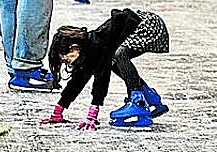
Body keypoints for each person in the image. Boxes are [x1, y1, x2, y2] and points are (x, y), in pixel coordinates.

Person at [39, 8, 170, 130]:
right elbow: (77, 82)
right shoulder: (87, 54)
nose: (66, 62)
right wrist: (57, 112)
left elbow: (101, 80)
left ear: (74, 47)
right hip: (138, 27)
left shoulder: (96, 45)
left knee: (119, 55)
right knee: (115, 62)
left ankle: (138, 101)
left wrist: (92, 116)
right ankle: (150, 97)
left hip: (148, 25)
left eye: (65, 58)